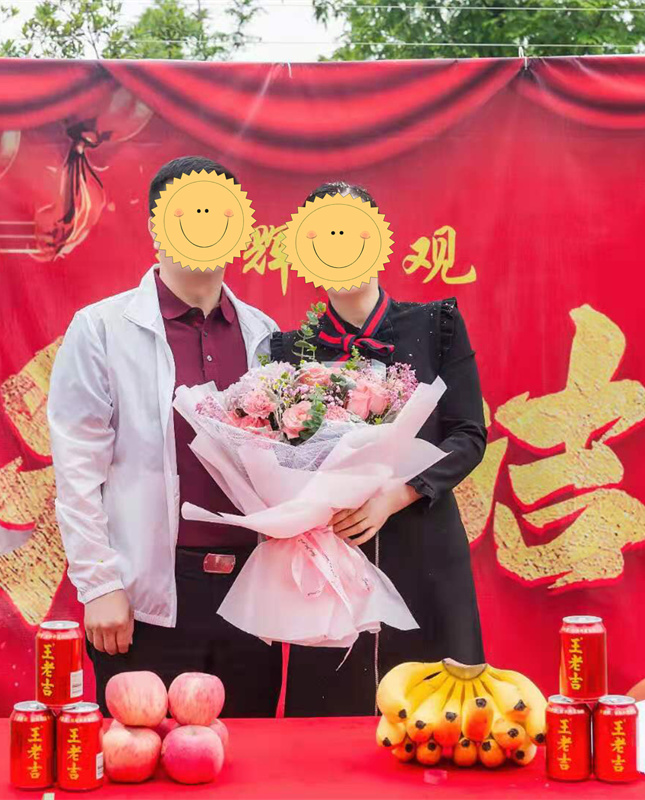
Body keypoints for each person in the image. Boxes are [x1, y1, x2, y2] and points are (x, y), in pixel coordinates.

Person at [48, 155, 282, 717]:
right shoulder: (102, 329)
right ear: (157, 225)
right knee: (141, 753)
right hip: (146, 594)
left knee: (244, 756)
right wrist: (100, 586)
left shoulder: (265, 335)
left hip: (253, 594)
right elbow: (77, 470)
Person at [270, 181, 487, 717]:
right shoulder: (288, 349)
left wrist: (396, 495)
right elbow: (272, 454)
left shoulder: (436, 324)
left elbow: (467, 434)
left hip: (424, 546)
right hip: (330, 557)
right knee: (330, 728)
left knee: (440, 718)